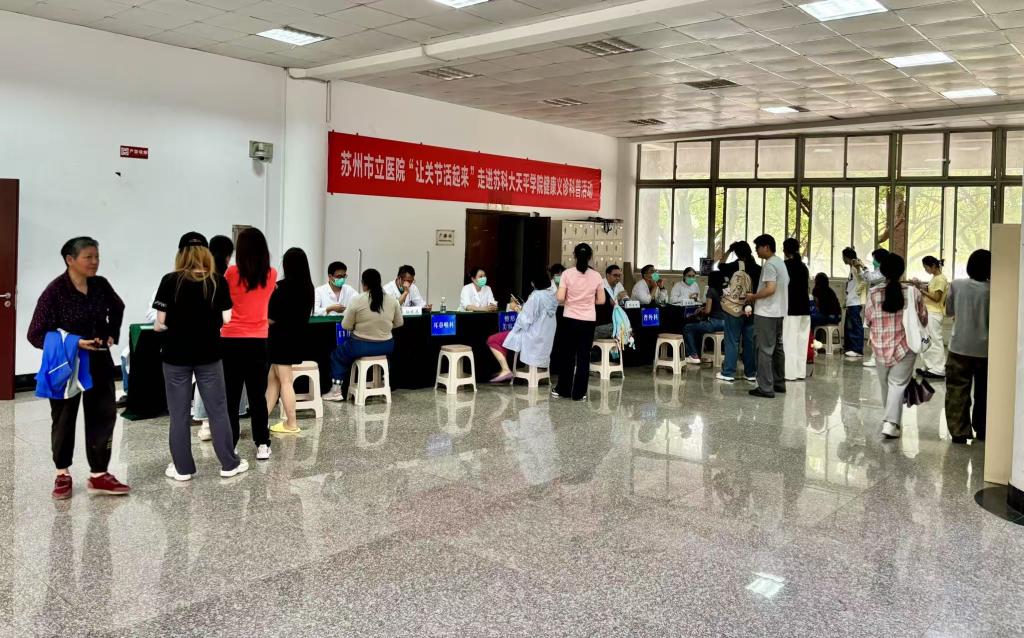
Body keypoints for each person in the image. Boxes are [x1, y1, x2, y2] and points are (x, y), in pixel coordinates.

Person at [27, 236, 130, 499]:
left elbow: (117, 306)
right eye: (88, 257)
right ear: (70, 260)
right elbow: (35, 334)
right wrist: (74, 343)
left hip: (98, 360)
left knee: (103, 415)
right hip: (67, 364)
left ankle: (99, 474)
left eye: (97, 257)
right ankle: (62, 473)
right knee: (64, 419)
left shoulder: (100, 284)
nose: (94, 262)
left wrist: (110, 332)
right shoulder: (55, 292)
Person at [152, 232, 248, 481]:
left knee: (179, 414)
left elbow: (160, 322)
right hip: (209, 354)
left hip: (175, 356)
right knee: (218, 410)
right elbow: (227, 318)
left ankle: (182, 469)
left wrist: (170, 324)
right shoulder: (217, 281)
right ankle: (229, 464)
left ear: (180, 254)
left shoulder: (169, 280)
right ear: (206, 254)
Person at [221, 228, 276, 461]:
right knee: (257, 396)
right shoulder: (271, 274)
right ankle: (262, 444)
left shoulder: (231, 273)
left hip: (230, 340)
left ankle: (231, 445)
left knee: (231, 397)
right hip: (258, 340)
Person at [864, 253, 928, 440]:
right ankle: (891, 423)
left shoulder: (874, 293)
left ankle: (890, 422)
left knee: (886, 384)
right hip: (904, 345)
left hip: (879, 346)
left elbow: (868, 319)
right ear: (902, 271)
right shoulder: (913, 292)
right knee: (897, 384)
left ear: (882, 271)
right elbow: (923, 318)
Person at [194, 234, 247, 440]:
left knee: (205, 380)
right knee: (234, 380)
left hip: (206, 335)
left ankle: (207, 424)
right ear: (228, 255)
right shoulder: (233, 274)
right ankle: (232, 421)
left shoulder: (202, 274)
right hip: (234, 333)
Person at [324, 269, 404, 401]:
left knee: (337, 356)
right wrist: (384, 327)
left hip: (360, 346)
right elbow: (399, 322)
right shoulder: (392, 301)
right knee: (386, 360)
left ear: (364, 284)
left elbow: (346, 325)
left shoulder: (357, 300)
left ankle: (336, 391)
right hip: (387, 346)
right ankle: (383, 384)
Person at [266, 247, 315, 436]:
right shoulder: (308, 287)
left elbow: (271, 318)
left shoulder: (281, 288)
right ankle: (261, 418)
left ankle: (291, 423)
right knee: (273, 379)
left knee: (285, 381)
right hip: (296, 339)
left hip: (280, 340)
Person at [945, 249, 990, 444]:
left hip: (959, 347)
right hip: (986, 349)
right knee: (985, 391)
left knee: (957, 391)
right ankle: (983, 428)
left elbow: (949, 311)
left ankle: (959, 432)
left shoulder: (956, 285)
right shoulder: (994, 289)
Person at [553, 243, 605, 401]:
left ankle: (563, 389)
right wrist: (587, 301)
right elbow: (601, 300)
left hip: (570, 319)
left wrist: (571, 300)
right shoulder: (596, 276)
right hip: (588, 321)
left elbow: (560, 298)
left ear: (574, 255)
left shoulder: (567, 274)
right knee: (583, 357)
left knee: (567, 355)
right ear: (590, 257)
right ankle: (580, 393)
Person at [745, 235, 789, 398]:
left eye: (757, 247)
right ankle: (778, 383)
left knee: (763, 350)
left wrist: (753, 297)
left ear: (766, 247)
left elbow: (770, 289)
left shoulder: (770, 264)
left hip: (766, 313)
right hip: (779, 312)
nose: (756, 251)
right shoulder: (780, 263)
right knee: (777, 349)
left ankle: (765, 387)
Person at [497, 269, 560, 380]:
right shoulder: (552, 295)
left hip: (534, 337)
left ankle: (513, 369)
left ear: (533, 283)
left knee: (507, 337)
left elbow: (525, 319)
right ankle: (532, 367)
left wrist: (516, 308)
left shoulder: (536, 297)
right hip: (546, 337)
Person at [717, 241, 761, 383]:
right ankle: (751, 373)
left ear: (736, 253)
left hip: (734, 309)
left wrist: (729, 250)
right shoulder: (758, 268)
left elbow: (719, 265)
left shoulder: (734, 266)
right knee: (749, 342)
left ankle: (728, 372)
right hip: (752, 309)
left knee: (732, 340)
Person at [914, 256, 949, 379]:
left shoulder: (941, 279)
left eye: (926, 267)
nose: (926, 270)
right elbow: (931, 293)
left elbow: (936, 298)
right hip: (929, 312)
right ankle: (930, 366)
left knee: (935, 341)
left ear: (933, 266)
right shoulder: (935, 278)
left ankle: (939, 368)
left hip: (934, 313)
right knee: (927, 340)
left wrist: (922, 291)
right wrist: (919, 285)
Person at [781, 238, 810, 382]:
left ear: (786, 250)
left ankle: (789, 373)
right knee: (802, 342)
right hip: (805, 309)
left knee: (789, 341)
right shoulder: (804, 267)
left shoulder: (785, 266)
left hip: (791, 309)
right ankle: (800, 372)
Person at [683, 271, 726, 364]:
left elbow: (707, 311)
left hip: (714, 324)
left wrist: (700, 310)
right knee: (699, 329)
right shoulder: (724, 290)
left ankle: (693, 355)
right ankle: (702, 354)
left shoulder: (711, 290)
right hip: (726, 324)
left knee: (688, 327)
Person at [860, 248, 889, 368]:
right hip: (875, 305)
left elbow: (871, 278)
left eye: (874, 259)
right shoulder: (879, 270)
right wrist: (861, 268)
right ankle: (877, 357)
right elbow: (866, 277)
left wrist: (863, 267)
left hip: (879, 306)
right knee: (876, 333)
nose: (873, 261)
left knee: (877, 333)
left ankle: (876, 358)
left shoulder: (884, 271)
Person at [841, 247, 867, 359]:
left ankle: (857, 349)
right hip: (851, 301)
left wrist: (856, 294)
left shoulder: (857, 267)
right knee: (849, 326)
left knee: (855, 325)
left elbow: (864, 281)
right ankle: (850, 347)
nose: (843, 259)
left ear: (847, 257)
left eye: (843, 257)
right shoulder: (852, 268)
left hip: (855, 302)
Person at [595, 264, 628, 339]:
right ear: (607, 275)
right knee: (622, 328)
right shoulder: (601, 285)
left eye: (619, 276)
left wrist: (623, 298)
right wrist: (618, 298)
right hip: (603, 318)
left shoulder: (618, 284)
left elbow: (625, 297)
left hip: (615, 315)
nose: (618, 278)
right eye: (615, 275)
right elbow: (608, 303)